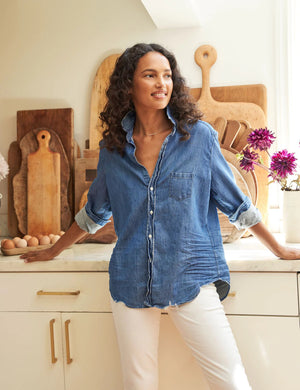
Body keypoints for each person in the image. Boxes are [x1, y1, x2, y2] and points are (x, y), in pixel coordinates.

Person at [21, 43, 300, 390]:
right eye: (150, 75)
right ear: (129, 85)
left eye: (167, 75)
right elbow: (93, 213)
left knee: (231, 381)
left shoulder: (198, 138)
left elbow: (237, 204)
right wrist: (53, 250)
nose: (161, 83)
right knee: (139, 384)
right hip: (131, 278)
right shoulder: (113, 150)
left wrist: (280, 250)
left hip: (191, 274)